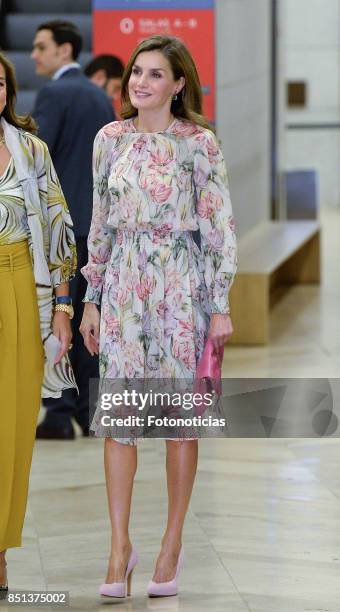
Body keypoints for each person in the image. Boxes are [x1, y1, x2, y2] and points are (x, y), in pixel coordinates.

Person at [80, 35, 237, 599]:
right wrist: (91, 297)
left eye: (154, 74)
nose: (141, 82)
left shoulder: (199, 144)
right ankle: (119, 546)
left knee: (177, 421)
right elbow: (99, 220)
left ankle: (171, 542)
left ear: (178, 84)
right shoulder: (109, 139)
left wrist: (219, 304)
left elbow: (219, 226)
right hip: (123, 282)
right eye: (135, 72)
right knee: (120, 418)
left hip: (182, 286)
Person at [0, 52, 77, 595]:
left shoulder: (31, 149)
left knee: (13, 428)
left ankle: (0, 550)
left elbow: (57, 227)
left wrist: (66, 307)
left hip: (24, 287)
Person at [31, 20, 115, 440]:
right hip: (94, 224)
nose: (34, 55)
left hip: (60, 228)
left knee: (56, 318)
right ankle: (88, 408)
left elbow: (35, 161)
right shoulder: (100, 97)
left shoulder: (54, 94)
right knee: (86, 321)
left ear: (65, 51)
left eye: (42, 47)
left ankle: (60, 413)